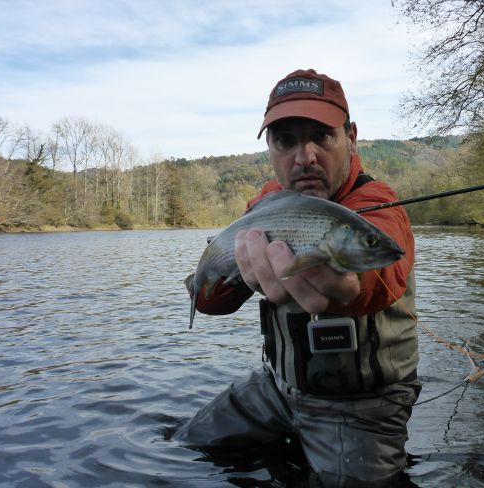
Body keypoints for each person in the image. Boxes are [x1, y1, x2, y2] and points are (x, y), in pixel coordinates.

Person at [174, 68, 420, 487]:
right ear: (270, 149)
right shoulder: (266, 206)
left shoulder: (377, 203)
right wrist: (216, 280)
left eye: (321, 136)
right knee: (185, 445)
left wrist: (349, 287)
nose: (304, 157)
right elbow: (210, 303)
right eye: (286, 141)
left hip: (363, 405)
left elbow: (382, 273)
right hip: (278, 388)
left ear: (351, 136)